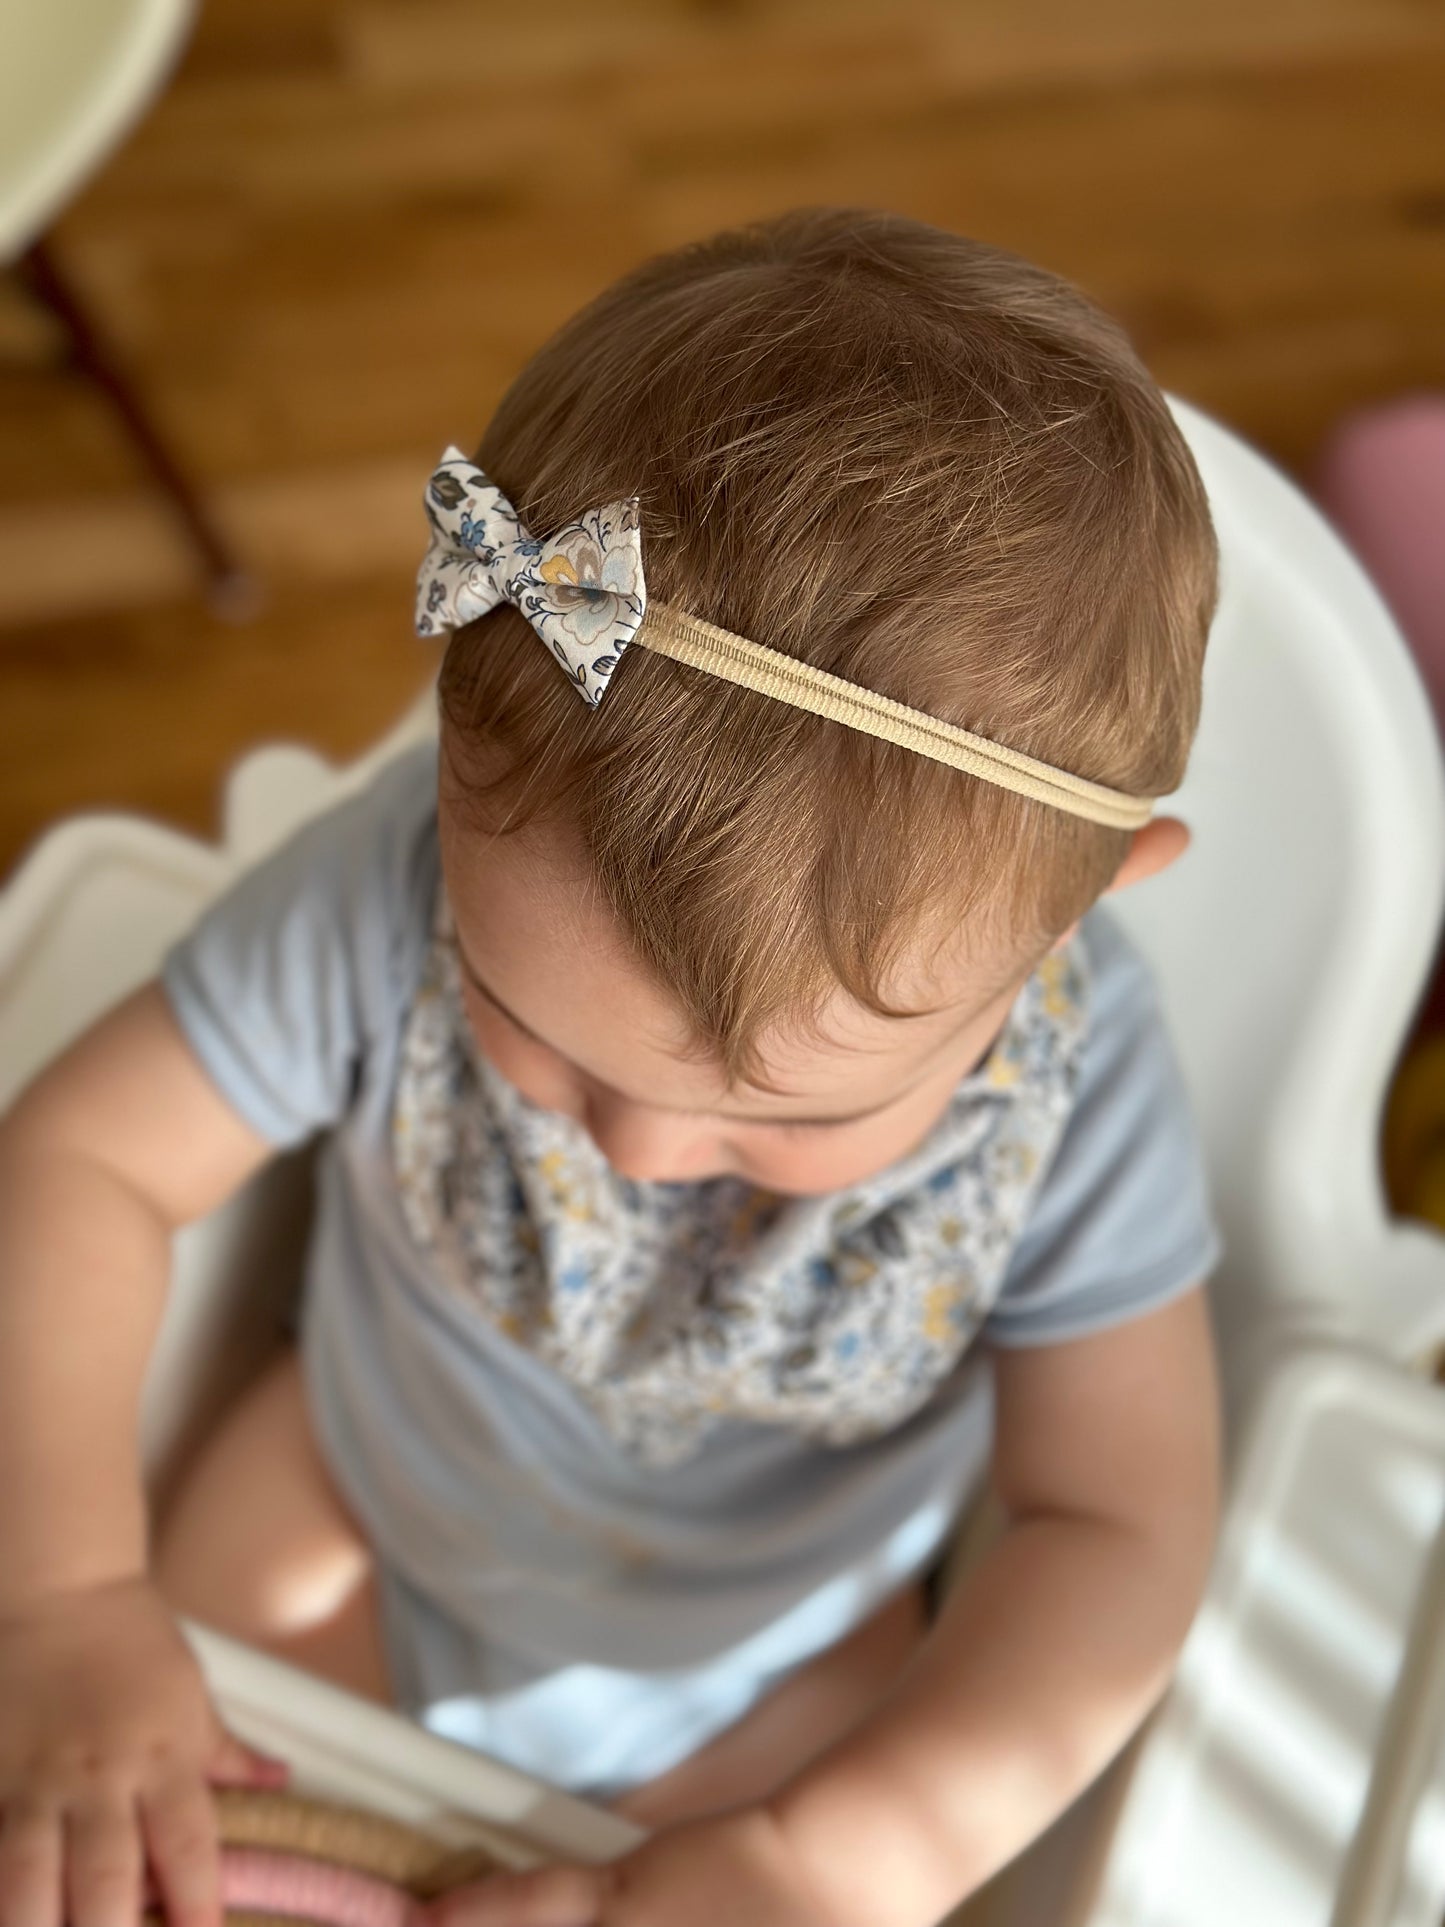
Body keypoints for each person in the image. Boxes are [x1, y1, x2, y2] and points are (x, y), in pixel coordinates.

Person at [0, 209, 1223, 1927]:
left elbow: (1113, 1525)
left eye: (787, 1112)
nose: (641, 1153)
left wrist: (836, 1858)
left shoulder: (1079, 1098)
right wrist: (58, 1601)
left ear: (1078, 916)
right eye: (534, 1037)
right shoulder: (389, 884)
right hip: (355, 1502)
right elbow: (84, 1161)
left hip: (770, 1665)